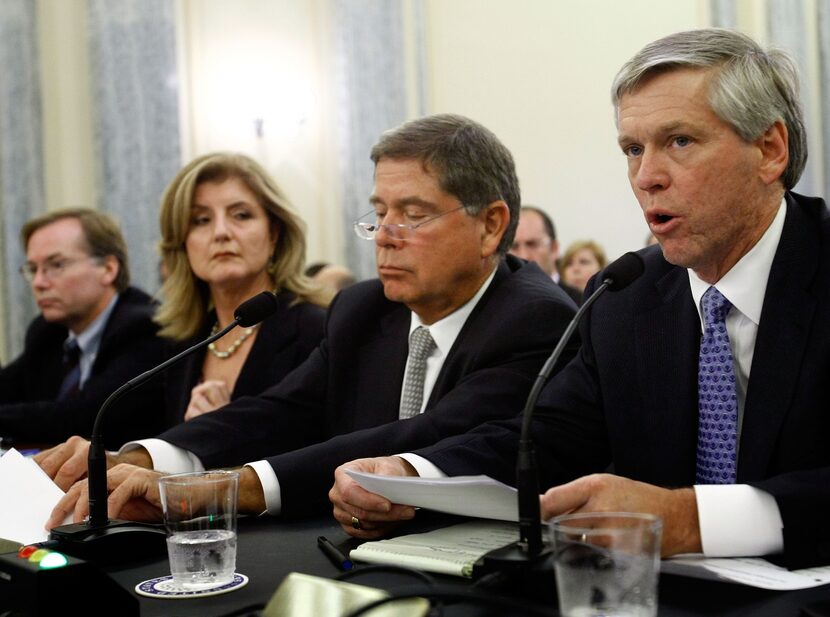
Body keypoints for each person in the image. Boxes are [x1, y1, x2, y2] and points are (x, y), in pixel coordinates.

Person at [329, 29, 830, 570]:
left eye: (680, 142)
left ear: (769, 150)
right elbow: (547, 435)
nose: (646, 176)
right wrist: (412, 475)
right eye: (633, 149)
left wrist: (693, 519)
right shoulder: (626, 297)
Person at [38, 113, 578, 527]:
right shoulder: (364, 310)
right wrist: (138, 456)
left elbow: (424, 435)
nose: (386, 234)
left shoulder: (533, 317)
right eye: (380, 212)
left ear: (490, 226)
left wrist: (221, 488)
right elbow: (280, 410)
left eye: (413, 216)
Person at [155, 152, 328, 427]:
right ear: (183, 245)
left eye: (241, 215)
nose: (221, 232)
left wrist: (225, 430)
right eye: (201, 220)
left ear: (273, 234)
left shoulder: (317, 331)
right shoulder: (181, 345)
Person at [0, 209, 165, 448]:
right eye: (33, 269)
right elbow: (8, 386)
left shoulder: (147, 327)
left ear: (108, 269)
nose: (39, 283)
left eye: (56, 265)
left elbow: (86, 416)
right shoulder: (47, 330)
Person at [510, 206, 581, 304]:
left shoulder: (582, 305)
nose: (524, 256)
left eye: (532, 244)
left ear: (554, 248)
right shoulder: (496, 304)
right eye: (514, 247)